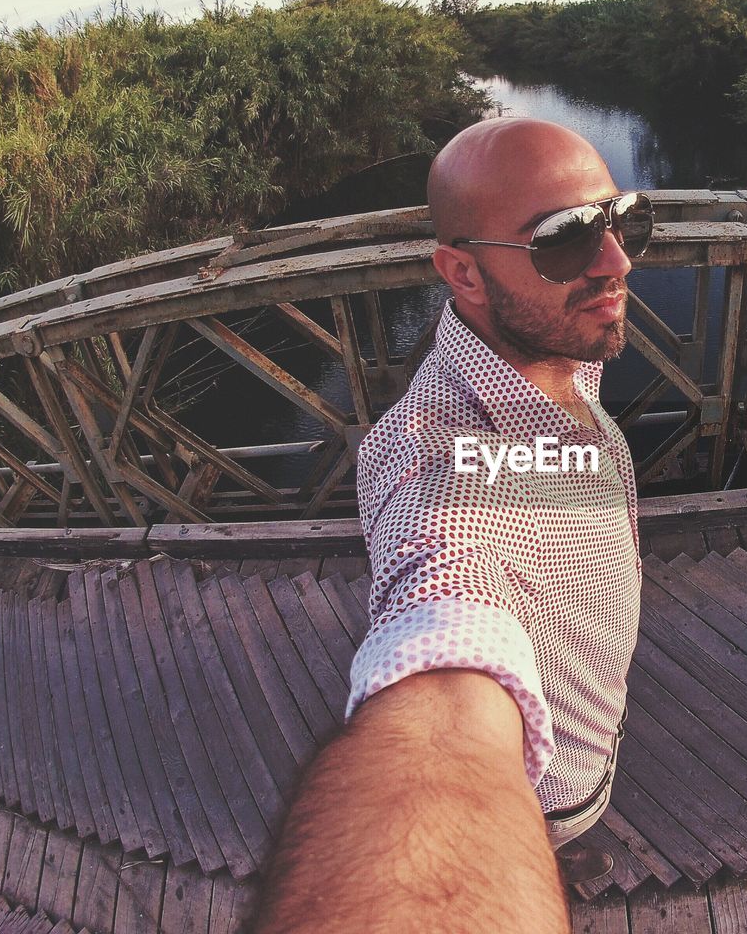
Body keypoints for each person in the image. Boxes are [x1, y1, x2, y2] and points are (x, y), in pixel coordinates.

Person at [255, 117, 649, 934]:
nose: (617, 262)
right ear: (462, 273)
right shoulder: (439, 465)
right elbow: (443, 640)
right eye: (567, 240)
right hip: (549, 778)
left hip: (592, 705)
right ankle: (559, 843)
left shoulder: (555, 345)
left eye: (625, 220)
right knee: (556, 826)